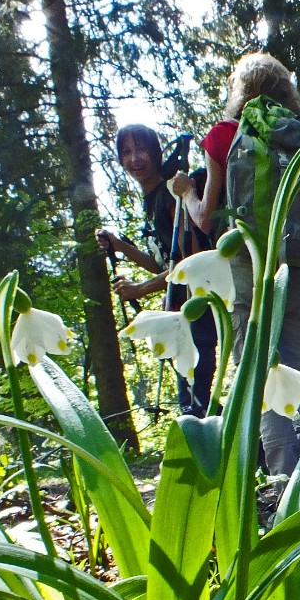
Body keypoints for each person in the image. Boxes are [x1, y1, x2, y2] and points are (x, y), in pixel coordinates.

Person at [171, 53, 300, 478]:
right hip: (293, 268)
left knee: (259, 374)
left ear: (237, 92)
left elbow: (206, 217)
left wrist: (186, 192)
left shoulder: (224, 136)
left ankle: (283, 480)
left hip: (246, 269)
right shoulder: (299, 135)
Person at [98, 124, 218, 416]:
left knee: (194, 400)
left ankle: (253, 451)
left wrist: (140, 289)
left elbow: (189, 260)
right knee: (191, 398)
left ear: (155, 152)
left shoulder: (170, 195)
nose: (135, 159)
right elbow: (164, 263)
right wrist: (121, 246)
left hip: (198, 308)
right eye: (126, 152)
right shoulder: (151, 200)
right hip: (181, 310)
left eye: (141, 149)